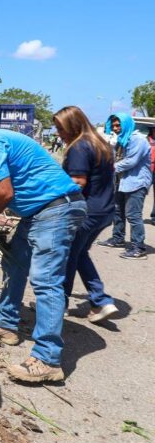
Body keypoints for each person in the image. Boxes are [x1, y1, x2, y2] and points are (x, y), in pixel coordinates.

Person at [0, 113, 86, 384]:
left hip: (56, 209)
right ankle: (6, 323)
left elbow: (4, 192)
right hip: (38, 211)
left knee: (46, 281)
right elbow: (3, 190)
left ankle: (47, 359)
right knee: (15, 262)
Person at [53, 106, 118, 323]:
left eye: (61, 128)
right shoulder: (100, 143)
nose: (58, 133)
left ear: (73, 125)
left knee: (68, 256)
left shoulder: (79, 147)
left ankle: (58, 305)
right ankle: (101, 301)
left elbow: (78, 182)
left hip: (87, 212)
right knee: (79, 253)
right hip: (105, 211)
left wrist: (51, 198)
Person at [97, 113, 151, 258]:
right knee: (117, 211)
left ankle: (139, 248)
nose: (115, 128)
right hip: (121, 182)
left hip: (136, 182)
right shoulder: (122, 140)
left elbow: (131, 161)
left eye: (118, 125)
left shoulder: (138, 139)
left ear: (126, 124)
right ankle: (118, 238)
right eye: (113, 125)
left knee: (133, 215)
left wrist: (110, 168)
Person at [148, 126, 155, 223]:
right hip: (147, 170)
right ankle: (135, 214)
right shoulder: (146, 141)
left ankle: (154, 217)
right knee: (140, 192)